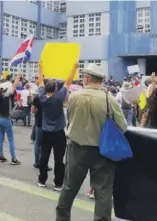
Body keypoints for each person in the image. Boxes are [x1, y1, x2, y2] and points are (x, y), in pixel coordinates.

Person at [56, 63, 127, 221]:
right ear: (100, 80)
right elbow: (122, 126)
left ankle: (62, 218)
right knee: (103, 192)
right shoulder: (110, 99)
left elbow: (70, 119)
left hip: (77, 148)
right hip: (103, 150)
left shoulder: (74, 96)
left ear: (87, 78)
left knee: (69, 187)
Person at [36, 61, 77, 191]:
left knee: (44, 156)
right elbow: (68, 82)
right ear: (55, 89)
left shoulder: (42, 97)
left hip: (45, 132)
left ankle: (42, 180)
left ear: (46, 89)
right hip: (59, 133)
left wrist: (40, 67)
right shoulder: (59, 98)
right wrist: (74, 67)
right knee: (59, 159)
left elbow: (40, 81)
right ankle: (58, 183)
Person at [0, 73, 21, 165]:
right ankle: (13, 159)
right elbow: (14, 86)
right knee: (11, 139)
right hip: (6, 119)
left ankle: (1, 156)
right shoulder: (8, 96)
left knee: (0, 138)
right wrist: (18, 77)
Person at [31, 79, 52, 171]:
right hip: (48, 124)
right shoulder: (51, 97)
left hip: (38, 121)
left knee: (37, 143)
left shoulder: (37, 97)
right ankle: (44, 163)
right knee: (46, 145)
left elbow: (32, 110)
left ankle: (37, 162)